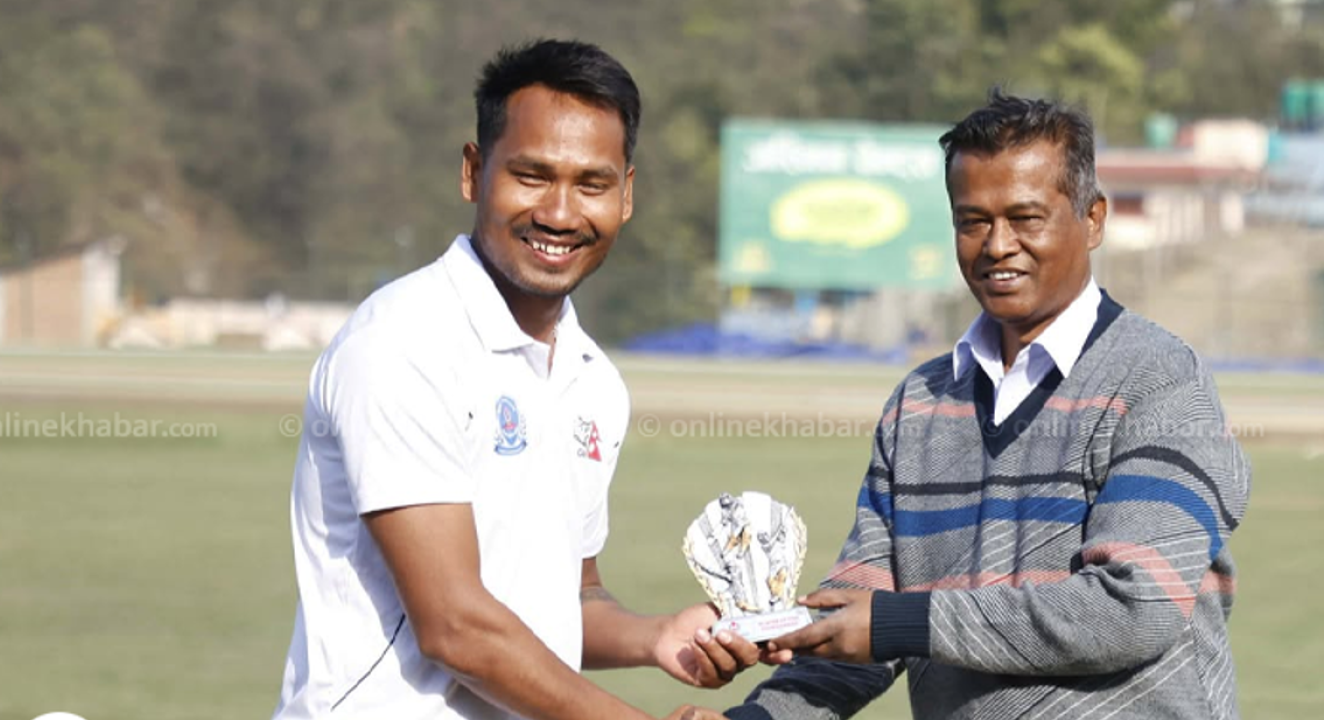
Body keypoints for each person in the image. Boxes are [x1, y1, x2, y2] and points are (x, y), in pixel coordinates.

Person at [724, 90, 1252, 719]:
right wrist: (757, 711)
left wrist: (901, 623)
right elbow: (860, 611)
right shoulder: (919, 404)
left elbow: (1134, 606)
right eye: (973, 221)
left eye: (1026, 218)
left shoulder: (1161, 382)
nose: (997, 244)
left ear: (1093, 219)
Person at [271, 39, 758, 720]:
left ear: (626, 194)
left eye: (591, 185)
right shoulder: (403, 342)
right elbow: (456, 628)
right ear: (474, 172)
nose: (559, 213)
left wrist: (657, 637)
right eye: (532, 176)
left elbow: (569, 600)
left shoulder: (593, 379)